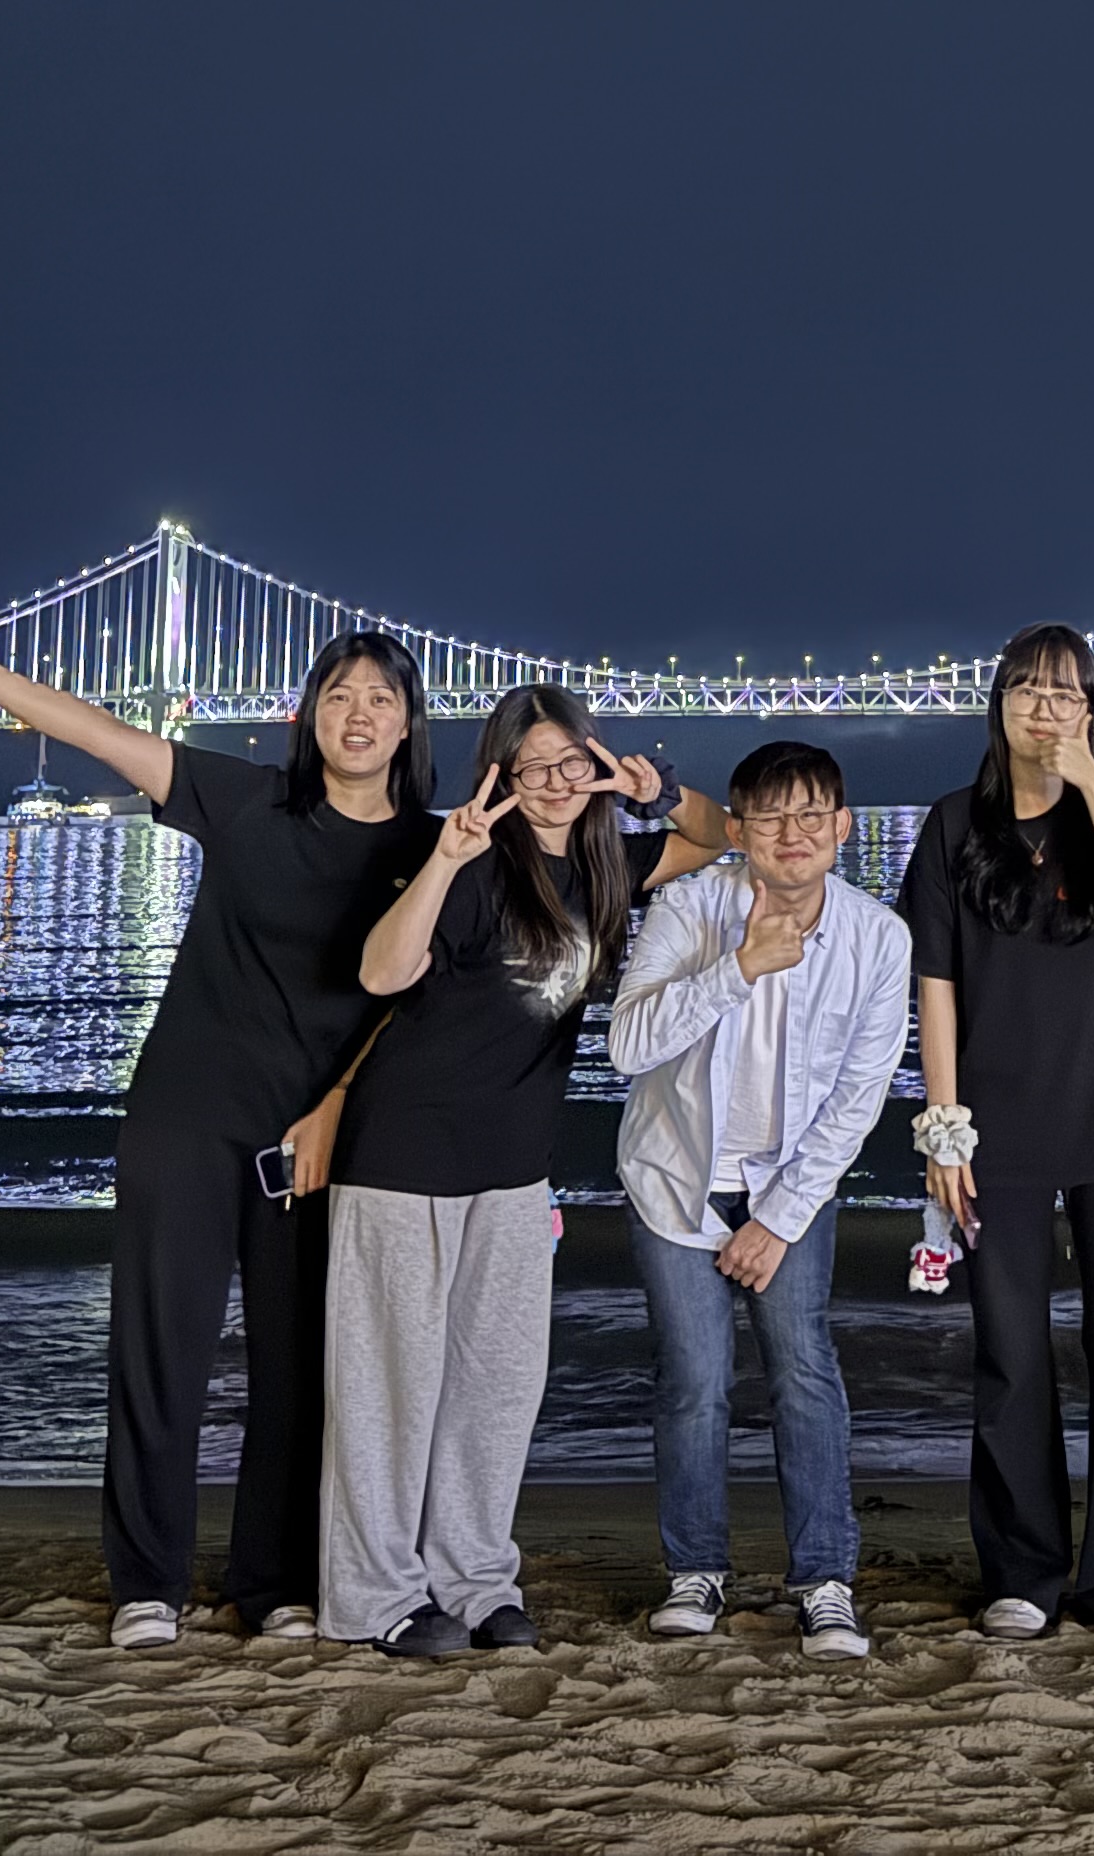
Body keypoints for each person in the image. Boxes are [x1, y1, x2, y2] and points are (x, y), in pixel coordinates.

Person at [0, 613, 429, 1652]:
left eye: (381, 699)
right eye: (339, 696)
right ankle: (146, 1583)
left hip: (315, 1135)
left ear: (408, 724)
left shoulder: (434, 848)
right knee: (160, 1349)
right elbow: (97, 733)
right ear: (310, 715)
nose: (358, 716)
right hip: (187, 1114)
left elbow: (430, 1003)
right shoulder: (246, 798)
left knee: (298, 1366)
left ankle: (274, 1584)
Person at [329, 681, 677, 1656]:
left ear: (596, 763)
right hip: (402, 1159)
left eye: (573, 763)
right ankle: (375, 1599)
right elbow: (381, 973)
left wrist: (654, 792)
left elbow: (716, 836)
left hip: (517, 1172)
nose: (556, 783)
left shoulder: (611, 866)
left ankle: (477, 1582)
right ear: (501, 775)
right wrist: (445, 858)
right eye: (533, 768)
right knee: (389, 1395)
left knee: (495, 1392)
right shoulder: (476, 862)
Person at [898, 622, 1094, 1638]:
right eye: (1026, 689)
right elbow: (934, 982)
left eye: (1067, 693)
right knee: (1011, 1353)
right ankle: (1024, 1571)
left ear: (1092, 710)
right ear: (1000, 705)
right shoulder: (951, 825)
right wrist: (943, 1129)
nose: (1045, 708)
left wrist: (1093, 780)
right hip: (995, 1132)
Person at [605, 738, 911, 1659]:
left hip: (791, 1186)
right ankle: (694, 1572)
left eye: (812, 814)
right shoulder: (689, 907)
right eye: (770, 817)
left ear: (843, 826)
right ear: (736, 831)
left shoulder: (877, 937)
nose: (793, 833)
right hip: (677, 1177)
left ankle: (824, 1581)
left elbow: (860, 1094)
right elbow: (627, 1046)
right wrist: (737, 968)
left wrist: (778, 1217)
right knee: (693, 1381)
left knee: (804, 1372)